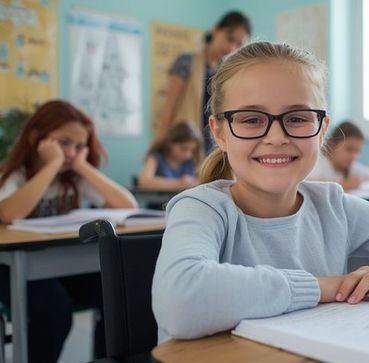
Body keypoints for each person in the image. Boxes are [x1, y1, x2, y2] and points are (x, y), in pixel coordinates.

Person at [151, 41, 369, 340]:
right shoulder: (201, 207)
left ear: (322, 130)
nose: (276, 137)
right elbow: (180, 301)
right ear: (219, 133)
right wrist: (326, 286)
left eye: (297, 118)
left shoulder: (334, 206)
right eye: (251, 119)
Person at [0, 100, 138, 361]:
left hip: (58, 268)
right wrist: (52, 165)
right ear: (36, 138)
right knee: (54, 309)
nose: (71, 153)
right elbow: (9, 214)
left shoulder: (73, 179)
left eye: (78, 146)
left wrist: (81, 166)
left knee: (116, 295)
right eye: (64, 143)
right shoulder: (15, 174)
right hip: (13, 269)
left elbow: (127, 205)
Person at [154, 11, 251, 152]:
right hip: (185, 142)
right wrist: (157, 148)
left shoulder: (226, 73)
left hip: (214, 144)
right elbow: (168, 109)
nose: (232, 48)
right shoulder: (186, 62)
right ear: (216, 30)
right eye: (229, 39)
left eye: (238, 44)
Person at [308, 121, 369, 190]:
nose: (354, 156)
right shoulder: (317, 164)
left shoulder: (351, 167)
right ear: (332, 145)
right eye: (349, 149)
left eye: (358, 151)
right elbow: (306, 184)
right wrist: (343, 185)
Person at [138, 122, 202, 190]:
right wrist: (178, 183)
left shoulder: (192, 160)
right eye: (183, 148)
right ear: (170, 143)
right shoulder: (156, 157)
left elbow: (202, 181)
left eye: (192, 150)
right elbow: (144, 182)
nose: (188, 155)